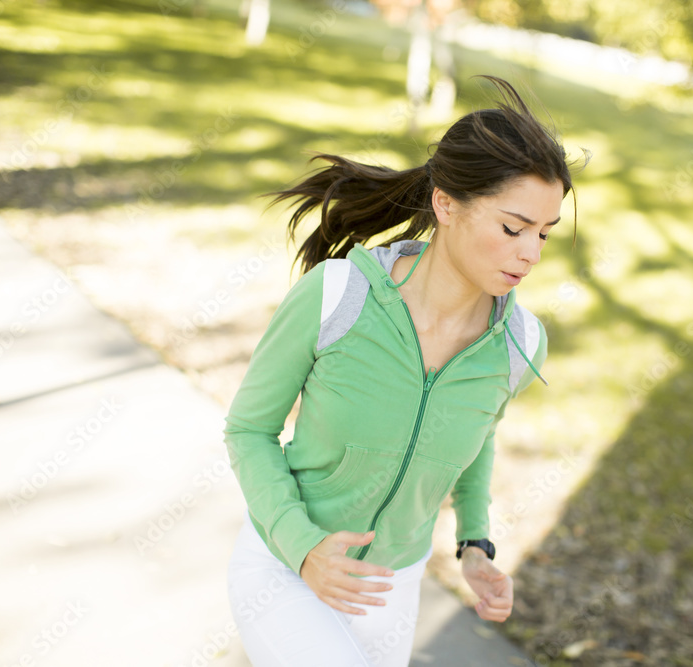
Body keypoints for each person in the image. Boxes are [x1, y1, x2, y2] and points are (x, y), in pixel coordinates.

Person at [223, 75, 580, 666]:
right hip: (285, 568)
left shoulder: (519, 344)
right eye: (513, 228)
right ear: (446, 204)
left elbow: (477, 437)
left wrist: (474, 543)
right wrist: (304, 547)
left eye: (544, 234)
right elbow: (248, 430)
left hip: (390, 590)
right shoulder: (338, 296)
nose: (531, 253)